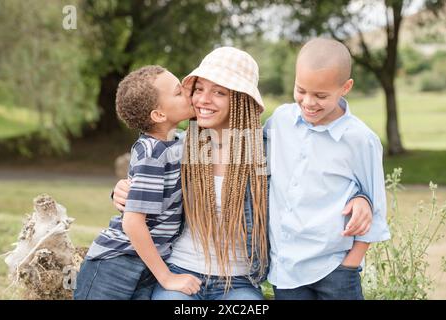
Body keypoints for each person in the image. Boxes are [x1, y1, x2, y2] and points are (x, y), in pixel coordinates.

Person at [112, 46, 375, 300]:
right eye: (199, 89)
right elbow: (145, 184)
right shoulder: (179, 147)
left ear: (240, 99)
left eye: (219, 92)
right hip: (181, 270)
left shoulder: (268, 149)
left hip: (238, 281)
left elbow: (319, 175)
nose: (203, 99)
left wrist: (361, 198)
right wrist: (121, 191)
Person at [264, 38, 391, 300]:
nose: (308, 102)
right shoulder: (280, 121)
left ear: (345, 87)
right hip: (286, 269)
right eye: (301, 90)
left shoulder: (360, 140)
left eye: (321, 95)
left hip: (335, 270)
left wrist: (350, 266)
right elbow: (245, 154)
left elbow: (375, 211)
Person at [74, 65, 200, 300]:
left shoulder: (174, 144)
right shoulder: (154, 153)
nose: (188, 93)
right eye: (178, 92)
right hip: (117, 264)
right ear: (159, 115)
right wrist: (167, 278)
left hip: (145, 264)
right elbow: (133, 223)